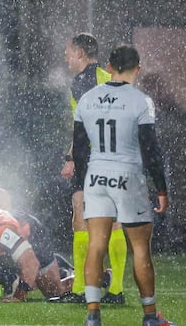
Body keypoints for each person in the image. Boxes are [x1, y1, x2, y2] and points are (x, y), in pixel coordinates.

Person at [72, 44, 173, 326]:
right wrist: (161, 188)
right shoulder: (141, 101)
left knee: (96, 245)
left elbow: (79, 148)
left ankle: (93, 316)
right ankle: (150, 317)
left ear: (109, 66)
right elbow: (151, 149)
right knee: (140, 248)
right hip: (128, 175)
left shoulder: (87, 99)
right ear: (137, 69)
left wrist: (83, 183)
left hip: (96, 176)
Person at [60, 33, 127, 304]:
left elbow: (86, 124)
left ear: (79, 53)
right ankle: (116, 290)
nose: (65, 57)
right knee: (114, 220)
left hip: (94, 157)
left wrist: (73, 158)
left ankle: (81, 289)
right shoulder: (106, 76)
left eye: (68, 52)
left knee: (82, 215)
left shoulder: (82, 82)